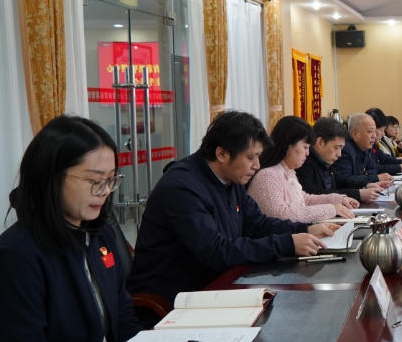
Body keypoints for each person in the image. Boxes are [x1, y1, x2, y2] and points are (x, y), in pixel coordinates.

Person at [0, 115, 141, 342]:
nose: (105, 191)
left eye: (111, 179)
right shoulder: (15, 258)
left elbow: (122, 313)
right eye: (94, 180)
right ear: (51, 177)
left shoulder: (98, 234)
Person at [128, 111, 338, 303]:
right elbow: (215, 251)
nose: (257, 165)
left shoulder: (231, 179)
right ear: (222, 154)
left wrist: (305, 229)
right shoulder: (182, 187)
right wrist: (286, 244)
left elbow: (258, 224)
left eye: (258, 156)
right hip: (176, 299)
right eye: (251, 157)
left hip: (219, 285)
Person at [248, 115, 358, 222]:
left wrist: (339, 200)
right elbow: (281, 215)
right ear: (288, 145)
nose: (307, 153)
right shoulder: (267, 176)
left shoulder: (288, 171)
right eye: (305, 147)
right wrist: (331, 209)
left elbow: (305, 199)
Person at [298, 117, 383, 203]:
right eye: (337, 148)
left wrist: (365, 186)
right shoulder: (303, 162)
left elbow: (340, 183)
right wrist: (358, 194)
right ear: (320, 142)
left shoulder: (325, 160)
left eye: (341, 148)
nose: (339, 154)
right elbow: (314, 195)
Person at [333, 112, 402, 187]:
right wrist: (375, 178)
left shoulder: (365, 147)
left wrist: (370, 182)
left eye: (374, 131)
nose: (374, 136)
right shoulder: (344, 149)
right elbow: (344, 181)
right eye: (370, 131)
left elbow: (372, 169)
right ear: (355, 133)